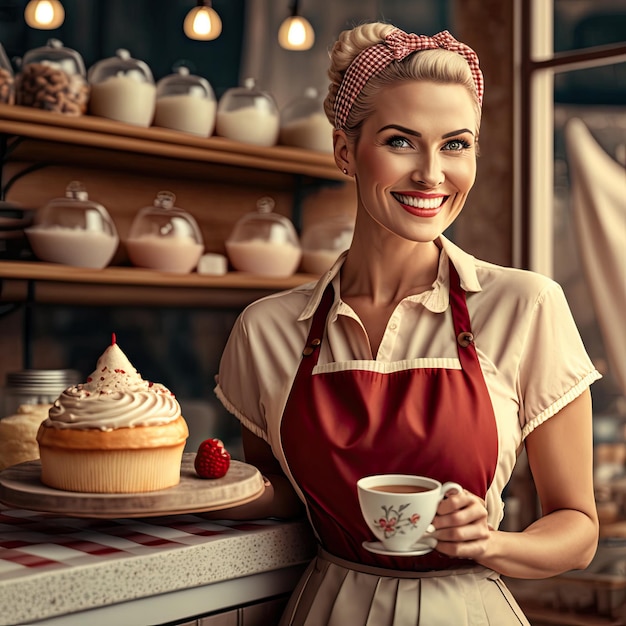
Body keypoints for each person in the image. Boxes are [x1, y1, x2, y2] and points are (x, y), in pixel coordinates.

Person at [213, 21, 601, 625]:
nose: (431, 174)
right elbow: (286, 495)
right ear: (346, 151)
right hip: (327, 609)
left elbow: (577, 531)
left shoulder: (526, 305)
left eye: (455, 144)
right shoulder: (266, 329)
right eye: (400, 141)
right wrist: (202, 490)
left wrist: (491, 543)